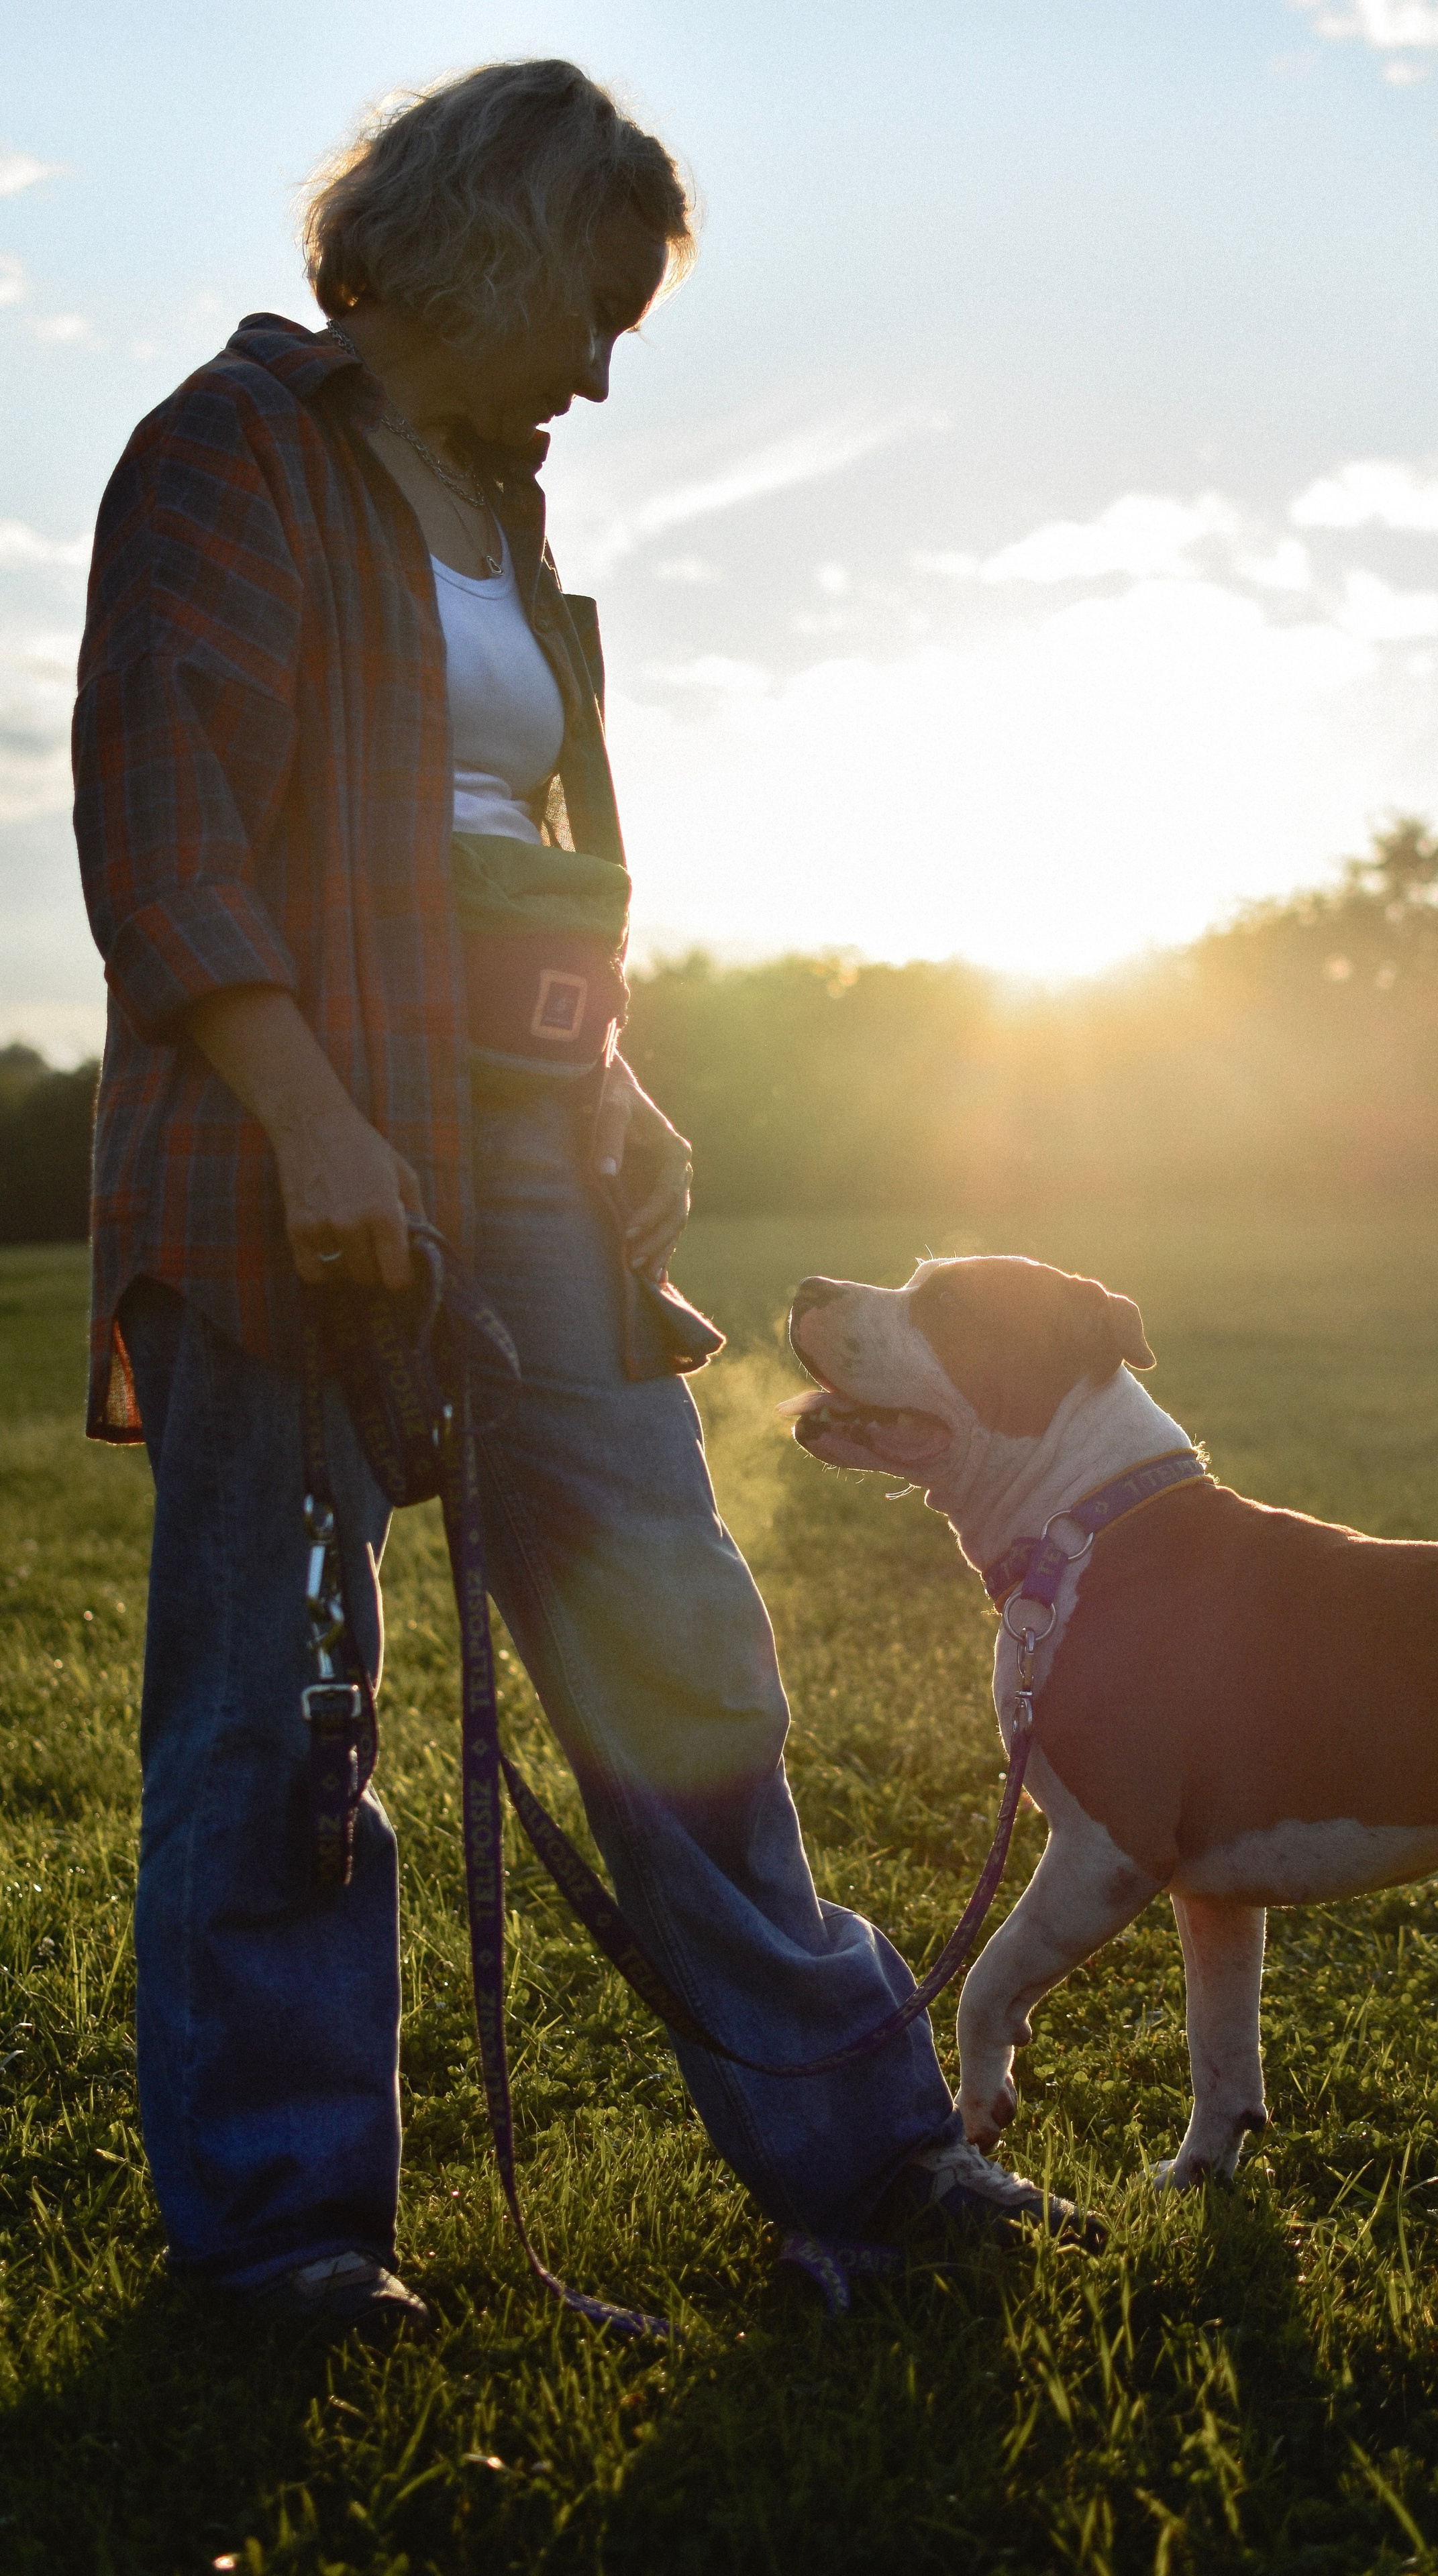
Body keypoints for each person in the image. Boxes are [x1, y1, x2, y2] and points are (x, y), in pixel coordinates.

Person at [74, 58, 1094, 2343]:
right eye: (602, 300)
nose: (615, 363)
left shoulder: (504, 512)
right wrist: (320, 1124)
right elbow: (168, 835)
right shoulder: (231, 453)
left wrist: (611, 1077)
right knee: (284, 1705)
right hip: (282, 1157)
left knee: (680, 1658)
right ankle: (285, 2246)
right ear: (504, 249)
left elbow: (515, 856)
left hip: (531, 1165)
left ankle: (873, 2157)